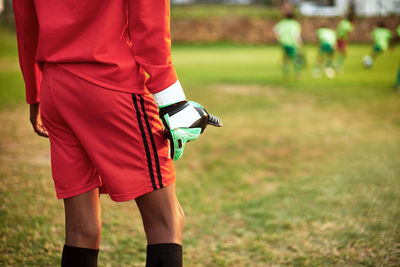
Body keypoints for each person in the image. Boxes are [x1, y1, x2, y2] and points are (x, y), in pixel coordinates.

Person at [13, 1, 221, 266]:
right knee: (166, 220)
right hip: (114, 82)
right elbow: (148, 20)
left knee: (80, 229)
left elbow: (26, 22)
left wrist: (35, 91)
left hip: (57, 86)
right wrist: (172, 99)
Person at [273, 12, 304, 80]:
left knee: (285, 59)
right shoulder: (295, 24)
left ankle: (285, 74)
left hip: (284, 43)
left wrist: (278, 38)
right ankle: (298, 74)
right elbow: (296, 34)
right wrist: (300, 42)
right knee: (296, 59)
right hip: (293, 44)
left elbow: (275, 29)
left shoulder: (282, 23)